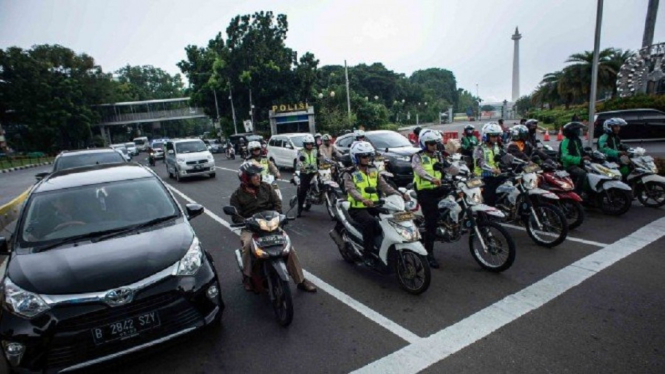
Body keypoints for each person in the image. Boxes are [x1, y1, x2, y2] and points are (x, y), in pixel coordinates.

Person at [230, 162, 317, 292]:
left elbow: (277, 204)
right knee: (248, 246)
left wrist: (278, 216)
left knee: (289, 248)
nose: (258, 177)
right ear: (245, 178)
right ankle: (247, 277)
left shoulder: (267, 188)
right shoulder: (237, 196)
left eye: (258, 174)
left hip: (270, 224)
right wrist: (246, 221)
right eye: (254, 175)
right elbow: (236, 215)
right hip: (251, 227)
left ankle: (301, 280)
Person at [344, 141, 408, 257]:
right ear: (356, 157)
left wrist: (399, 194)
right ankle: (367, 253)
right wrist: (363, 199)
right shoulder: (350, 173)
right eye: (364, 156)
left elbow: (384, 186)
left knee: (392, 218)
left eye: (369, 156)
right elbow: (351, 190)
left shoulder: (373, 170)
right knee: (370, 222)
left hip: (375, 205)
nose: (367, 158)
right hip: (358, 208)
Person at [412, 128, 456, 269]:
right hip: (425, 191)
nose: (434, 146)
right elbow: (419, 170)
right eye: (431, 144)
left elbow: (451, 168)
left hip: (438, 188)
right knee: (432, 220)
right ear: (424, 144)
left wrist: (466, 172)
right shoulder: (417, 156)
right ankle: (429, 254)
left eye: (436, 143)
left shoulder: (439, 155)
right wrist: (431, 179)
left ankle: (449, 222)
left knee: (456, 195)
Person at [474, 123, 505, 206]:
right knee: (490, 197)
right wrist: (492, 169)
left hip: (495, 176)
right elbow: (480, 162)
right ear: (486, 136)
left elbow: (507, 156)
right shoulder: (479, 148)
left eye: (497, 136)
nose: (495, 138)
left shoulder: (496, 147)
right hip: (483, 177)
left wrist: (524, 162)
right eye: (493, 136)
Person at [559, 122, 589, 195]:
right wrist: (580, 159)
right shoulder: (565, 142)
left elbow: (581, 151)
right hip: (569, 166)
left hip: (579, 163)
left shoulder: (577, 140)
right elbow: (565, 157)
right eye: (577, 130)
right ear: (572, 131)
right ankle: (577, 193)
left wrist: (589, 154)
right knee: (582, 174)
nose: (579, 131)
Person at [296, 134, 319, 217]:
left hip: (315, 172)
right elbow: (299, 162)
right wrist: (303, 166)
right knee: (303, 190)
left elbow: (321, 158)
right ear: (304, 144)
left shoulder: (315, 150)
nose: (309, 145)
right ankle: (299, 208)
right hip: (305, 173)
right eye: (307, 144)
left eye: (311, 144)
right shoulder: (301, 151)